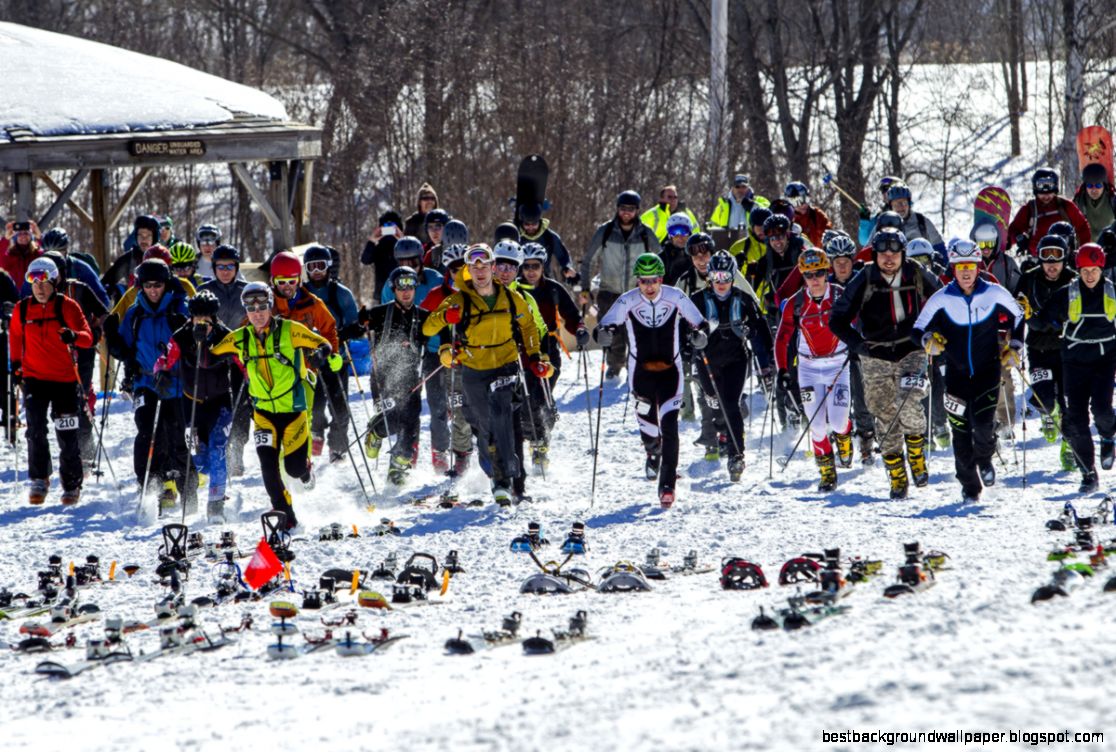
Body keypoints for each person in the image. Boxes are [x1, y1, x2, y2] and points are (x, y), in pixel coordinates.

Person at [422, 244, 546, 505]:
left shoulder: (510, 297)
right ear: (468, 270)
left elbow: (528, 326)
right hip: (475, 368)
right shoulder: (460, 299)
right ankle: (494, 472)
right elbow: (428, 327)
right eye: (474, 267)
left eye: (484, 266)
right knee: (484, 426)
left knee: (503, 415)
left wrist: (534, 356)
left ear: (492, 268)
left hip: (506, 364)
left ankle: (507, 483)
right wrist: (446, 316)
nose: (480, 272)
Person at [211, 282, 337, 529]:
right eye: (251, 309)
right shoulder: (241, 337)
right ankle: (285, 513)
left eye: (262, 307)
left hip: (293, 412)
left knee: (293, 468)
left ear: (270, 306)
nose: (257, 313)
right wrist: (202, 336)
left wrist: (320, 354)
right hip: (263, 414)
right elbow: (213, 352)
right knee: (268, 466)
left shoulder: (290, 330)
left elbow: (323, 343)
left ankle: (305, 470)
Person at [830, 231, 942, 499]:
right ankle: (896, 474)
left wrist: (934, 333)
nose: (889, 258)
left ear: (903, 253)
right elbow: (837, 318)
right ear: (875, 255)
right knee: (885, 414)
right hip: (875, 354)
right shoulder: (865, 277)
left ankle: (916, 454)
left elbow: (943, 299)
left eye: (894, 253)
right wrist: (857, 345)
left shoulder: (916, 273)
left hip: (911, 349)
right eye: (883, 253)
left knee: (909, 400)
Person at [911, 241, 1024, 503]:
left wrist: (1015, 346)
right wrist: (927, 340)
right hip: (956, 375)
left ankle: (985, 460)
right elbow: (917, 328)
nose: (965, 272)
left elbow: (1019, 315)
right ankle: (970, 487)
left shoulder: (994, 292)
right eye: (960, 266)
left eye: (970, 266)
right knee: (960, 433)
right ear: (953, 268)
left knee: (983, 424)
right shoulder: (942, 297)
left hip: (988, 371)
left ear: (977, 267)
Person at [597, 253, 706, 508]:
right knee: (649, 430)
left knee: (670, 427)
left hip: (671, 372)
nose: (649, 286)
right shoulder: (628, 300)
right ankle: (652, 451)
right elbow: (605, 324)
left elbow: (700, 322)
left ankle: (667, 485)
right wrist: (603, 333)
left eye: (654, 280)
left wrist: (700, 335)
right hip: (641, 375)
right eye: (644, 281)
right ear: (638, 281)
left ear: (661, 279)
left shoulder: (675, 296)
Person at [9, 257, 94, 505]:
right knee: (35, 429)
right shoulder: (22, 309)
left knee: (67, 434)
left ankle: (71, 484)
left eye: (44, 281)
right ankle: (39, 478)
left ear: (54, 281)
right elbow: (15, 337)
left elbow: (88, 338)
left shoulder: (68, 307)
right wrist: (15, 365)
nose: (39, 287)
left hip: (64, 380)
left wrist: (73, 336)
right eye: (33, 281)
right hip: (34, 379)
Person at [1034, 243, 1116, 493]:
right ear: (1078, 271)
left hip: (1104, 361)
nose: (1090, 276)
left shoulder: (1112, 292)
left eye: (1094, 270)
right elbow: (1042, 322)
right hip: (1074, 364)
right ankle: (1088, 473)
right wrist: (1027, 314)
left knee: (1102, 409)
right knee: (1075, 418)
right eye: (1085, 271)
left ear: (1102, 269)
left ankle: (1107, 437)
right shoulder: (1067, 294)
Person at [690, 251, 773, 482]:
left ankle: (737, 456)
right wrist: (691, 341)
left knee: (730, 404)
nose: (721, 282)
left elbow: (760, 325)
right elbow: (682, 327)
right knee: (715, 405)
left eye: (726, 276)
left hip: (736, 359)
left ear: (733, 276)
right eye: (716, 276)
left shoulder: (742, 298)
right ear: (709, 276)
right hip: (707, 360)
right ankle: (723, 428)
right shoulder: (698, 299)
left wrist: (758, 339)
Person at [774, 248, 852, 490]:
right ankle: (827, 473)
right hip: (808, 368)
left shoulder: (840, 295)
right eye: (809, 275)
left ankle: (845, 436)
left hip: (838, 365)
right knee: (816, 425)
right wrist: (783, 370)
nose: (815, 279)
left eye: (819, 273)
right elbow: (782, 338)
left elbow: (857, 321)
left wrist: (858, 344)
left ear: (827, 272)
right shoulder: (795, 303)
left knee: (838, 423)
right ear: (803, 276)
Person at [118, 259, 192, 511]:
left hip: (174, 383)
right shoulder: (135, 314)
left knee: (175, 435)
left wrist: (174, 371)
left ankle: (186, 486)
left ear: (166, 284)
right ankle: (150, 485)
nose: (152, 290)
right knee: (147, 432)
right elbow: (127, 348)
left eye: (157, 285)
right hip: (145, 382)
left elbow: (190, 347)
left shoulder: (178, 310)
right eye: (147, 285)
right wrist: (114, 341)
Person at [268, 251, 350, 464]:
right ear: (273, 281)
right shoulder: (267, 305)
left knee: (306, 416)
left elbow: (329, 328)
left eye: (291, 281)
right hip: (276, 372)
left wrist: (332, 353)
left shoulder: (312, 303)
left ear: (299, 279)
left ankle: (304, 463)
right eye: (282, 282)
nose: (287, 286)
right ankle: (283, 460)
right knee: (281, 420)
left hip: (307, 369)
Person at [380, 236, 449, 472]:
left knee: (438, 402)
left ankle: (440, 449)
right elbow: (388, 318)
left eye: (413, 261)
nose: (409, 265)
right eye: (403, 261)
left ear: (421, 259)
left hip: (434, 349)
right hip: (407, 352)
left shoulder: (435, 280)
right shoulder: (391, 285)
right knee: (408, 405)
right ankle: (407, 450)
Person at [358, 266, 430, 485]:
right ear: (393, 289)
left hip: (411, 379)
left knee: (411, 424)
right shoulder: (380, 313)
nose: (406, 292)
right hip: (383, 378)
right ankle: (376, 431)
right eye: (401, 287)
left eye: (410, 287)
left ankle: (398, 467)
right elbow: (354, 329)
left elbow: (442, 332)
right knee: (394, 419)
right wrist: (360, 322)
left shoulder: (423, 316)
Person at [165, 290, 234, 520]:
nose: (202, 323)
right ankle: (213, 477)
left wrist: (250, 378)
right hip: (191, 404)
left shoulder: (225, 335)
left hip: (220, 403)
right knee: (200, 460)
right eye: (197, 318)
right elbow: (164, 361)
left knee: (217, 450)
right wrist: (161, 373)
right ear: (191, 317)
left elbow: (242, 360)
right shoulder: (181, 336)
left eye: (207, 319)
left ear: (214, 318)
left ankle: (216, 504)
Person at [578, 190, 660, 379]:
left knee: (637, 332)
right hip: (609, 290)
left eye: (631, 209)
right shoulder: (606, 231)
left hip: (637, 292)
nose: (626, 213)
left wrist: (655, 286)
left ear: (637, 210)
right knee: (612, 333)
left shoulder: (645, 233)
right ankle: (614, 365)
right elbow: (588, 260)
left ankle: (636, 366)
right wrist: (585, 288)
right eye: (623, 208)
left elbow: (659, 259)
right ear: (617, 209)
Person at [1016, 234, 1076, 468]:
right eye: (1046, 256)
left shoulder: (1074, 279)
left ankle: (1070, 445)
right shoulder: (1029, 280)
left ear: (1065, 258)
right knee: (1044, 399)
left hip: (1068, 351)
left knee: (1070, 400)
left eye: (1057, 256)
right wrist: (1014, 343)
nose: (1051, 263)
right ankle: (1048, 413)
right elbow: (1016, 315)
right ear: (1039, 258)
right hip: (1038, 348)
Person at [419, 241, 474, 475]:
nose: (459, 273)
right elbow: (421, 325)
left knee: (467, 407)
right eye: (454, 268)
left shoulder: (479, 292)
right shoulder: (438, 294)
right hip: (442, 358)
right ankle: (448, 451)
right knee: (446, 406)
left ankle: (468, 451)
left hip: (471, 358)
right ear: (447, 270)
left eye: (464, 267)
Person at [1008, 168, 1091, 257]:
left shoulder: (1065, 206)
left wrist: (1083, 250)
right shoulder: (1030, 209)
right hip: (1038, 257)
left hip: (1064, 257)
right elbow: (1013, 229)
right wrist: (1017, 239)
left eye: (1050, 194)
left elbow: (1082, 226)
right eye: (1042, 194)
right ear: (1036, 191)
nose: (1046, 197)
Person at [515, 203, 578, 283]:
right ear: (522, 223)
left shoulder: (549, 236)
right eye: (527, 224)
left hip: (543, 280)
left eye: (534, 224)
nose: (530, 227)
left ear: (539, 222)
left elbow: (563, 256)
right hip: (518, 280)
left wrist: (567, 267)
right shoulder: (515, 235)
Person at [102, 214, 160, 300]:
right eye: (140, 235)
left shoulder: (162, 257)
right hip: (134, 304)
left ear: (154, 238)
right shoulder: (128, 259)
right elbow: (106, 282)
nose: (144, 239)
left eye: (148, 235)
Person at [361, 210, 404, 300]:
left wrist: (402, 240)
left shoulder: (404, 246)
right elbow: (365, 260)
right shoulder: (378, 247)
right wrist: (372, 241)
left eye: (392, 226)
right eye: (386, 226)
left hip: (402, 291)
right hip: (381, 294)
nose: (389, 229)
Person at [1073, 163, 1116, 242]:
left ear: (1104, 185)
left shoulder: (1112, 200)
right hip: (1086, 246)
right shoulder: (1078, 201)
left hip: (1109, 246)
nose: (1094, 190)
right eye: (1090, 186)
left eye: (1098, 185)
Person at [858, 176, 903, 246]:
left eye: (888, 191)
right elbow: (865, 241)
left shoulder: (908, 214)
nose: (885, 195)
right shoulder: (880, 217)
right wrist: (865, 220)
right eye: (883, 192)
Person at [784, 182, 832, 247]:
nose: (803, 205)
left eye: (805, 199)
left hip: (818, 252)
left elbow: (829, 233)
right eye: (797, 202)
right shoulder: (787, 220)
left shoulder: (816, 215)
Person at [1, 219, 42, 288]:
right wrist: (5, 239)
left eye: (26, 233)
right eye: (19, 234)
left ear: (31, 236)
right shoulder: (11, 255)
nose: (23, 236)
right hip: (16, 292)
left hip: (34, 291)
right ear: (15, 237)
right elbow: (1, 262)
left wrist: (39, 237)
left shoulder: (36, 253)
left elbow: (47, 257)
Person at [660, 213, 695, 285]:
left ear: (689, 234)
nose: (679, 237)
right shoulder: (661, 258)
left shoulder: (696, 255)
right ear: (670, 236)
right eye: (674, 232)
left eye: (683, 231)